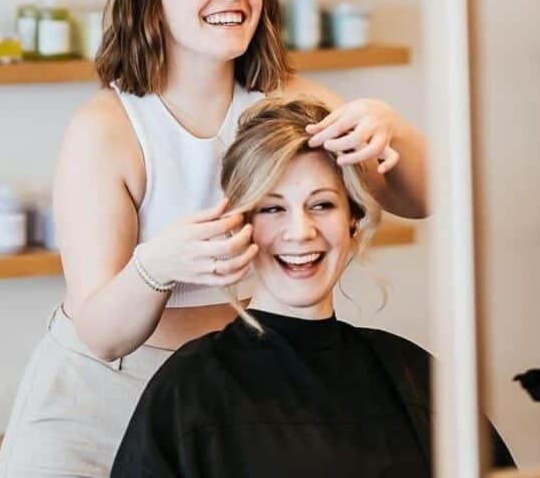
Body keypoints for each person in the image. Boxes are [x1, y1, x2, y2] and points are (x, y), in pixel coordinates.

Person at [0, 0, 429, 478]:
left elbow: (421, 200)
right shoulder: (108, 129)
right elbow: (101, 336)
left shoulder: (287, 102)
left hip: (227, 386)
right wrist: (156, 266)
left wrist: (388, 126)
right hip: (104, 392)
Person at [111, 97, 513, 477]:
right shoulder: (189, 391)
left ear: (353, 220)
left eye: (322, 205)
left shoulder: (414, 375)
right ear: (240, 223)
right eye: (273, 209)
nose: (300, 232)